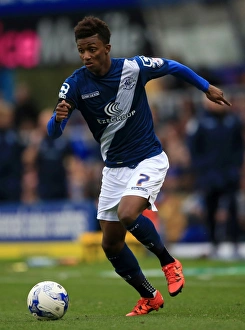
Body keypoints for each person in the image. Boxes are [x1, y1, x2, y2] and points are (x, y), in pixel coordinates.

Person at [47, 16, 231, 316]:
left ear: (107, 47)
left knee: (128, 213)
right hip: (113, 170)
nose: (86, 56)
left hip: (148, 158)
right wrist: (57, 117)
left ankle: (168, 261)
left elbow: (173, 65)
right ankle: (150, 296)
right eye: (81, 50)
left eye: (92, 48)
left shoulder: (133, 68)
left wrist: (206, 87)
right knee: (110, 244)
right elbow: (53, 133)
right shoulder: (74, 84)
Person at [186, 97, 244, 259]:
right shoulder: (199, 122)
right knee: (210, 209)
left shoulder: (233, 121)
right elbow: (193, 148)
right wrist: (202, 169)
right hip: (209, 175)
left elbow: (238, 146)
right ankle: (213, 244)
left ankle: (235, 244)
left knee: (233, 208)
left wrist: (236, 167)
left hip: (229, 174)